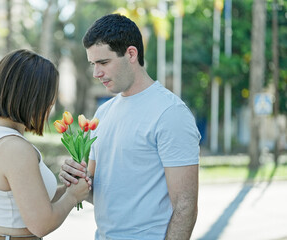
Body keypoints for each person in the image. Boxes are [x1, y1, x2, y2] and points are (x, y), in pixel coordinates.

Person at [59, 14, 201, 240]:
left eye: (103, 62)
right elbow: (97, 192)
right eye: (93, 64)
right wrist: (76, 179)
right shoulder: (102, 114)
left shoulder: (170, 113)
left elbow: (185, 207)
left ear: (131, 54)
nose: (96, 73)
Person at [0, 49, 90, 240]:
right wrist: (72, 197)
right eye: (48, 97)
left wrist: (71, 188)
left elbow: (29, 201)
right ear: (31, 97)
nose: (51, 105)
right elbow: (41, 224)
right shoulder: (15, 148)